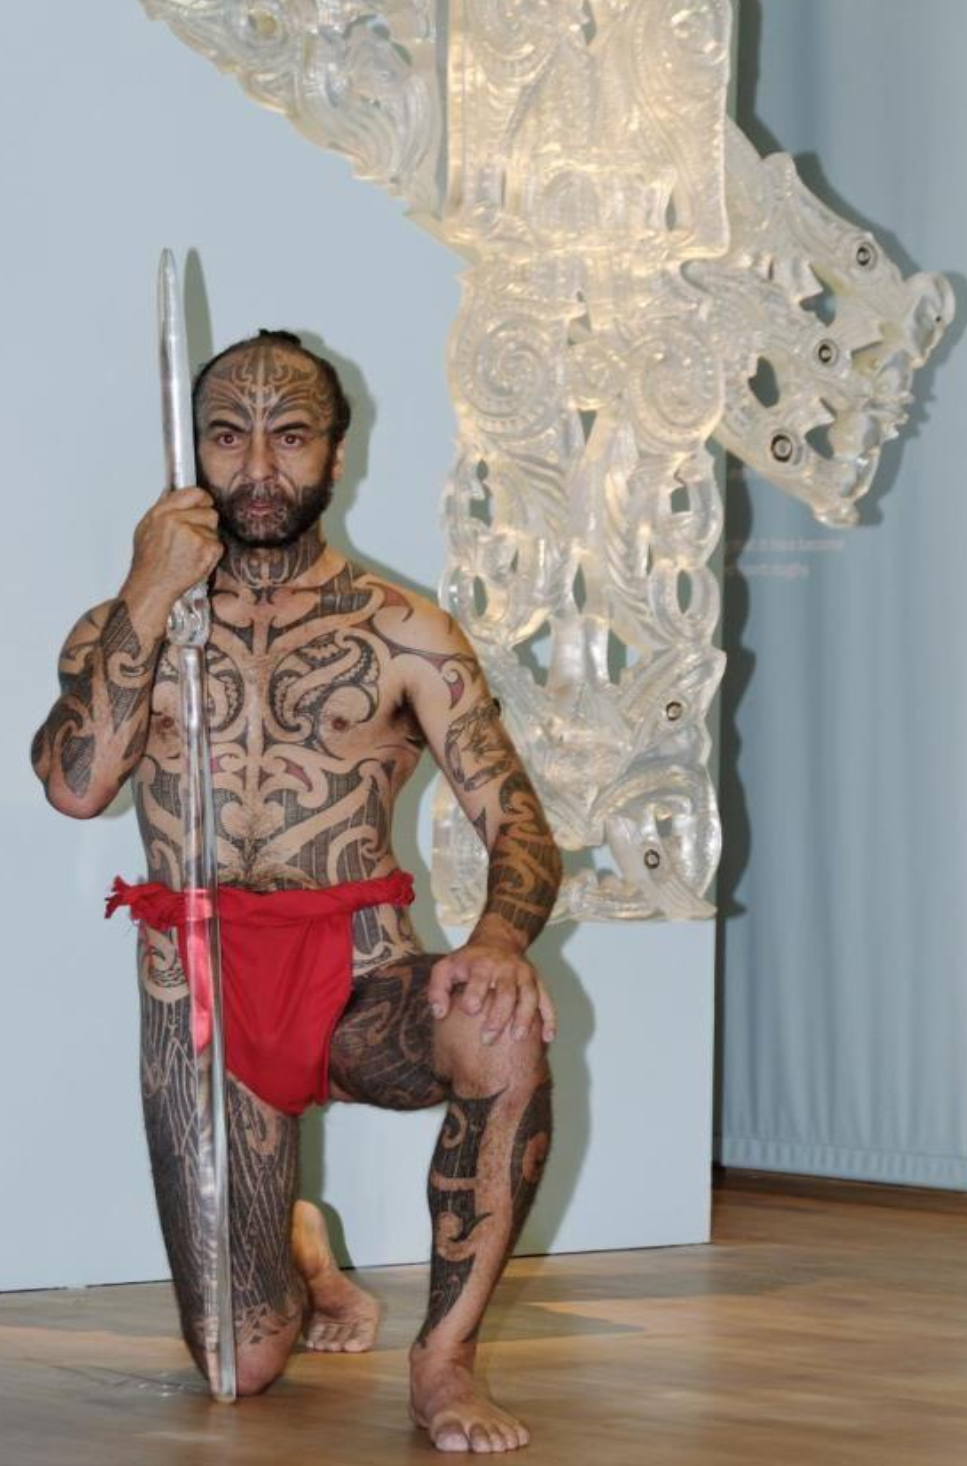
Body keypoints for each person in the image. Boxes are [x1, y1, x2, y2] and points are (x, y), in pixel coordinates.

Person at [30, 329, 562, 1454]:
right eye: (229, 438)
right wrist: (148, 587)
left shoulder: (404, 631)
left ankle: (442, 1361)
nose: (259, 467)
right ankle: (304, 1254)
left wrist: (499, 942)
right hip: (199, 990)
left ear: (335, 454)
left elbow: (518, 821)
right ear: (193, 453)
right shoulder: (128, 624)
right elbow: (75, 788)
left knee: (501, 1030)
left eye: (291, 436)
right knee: (243, 1363)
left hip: (362, 973)